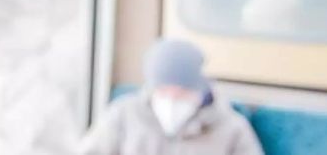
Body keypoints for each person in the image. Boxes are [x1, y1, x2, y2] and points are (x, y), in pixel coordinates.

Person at [79, 39, 263, 155]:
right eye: (163, 92)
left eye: (181, 94)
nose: (171, 101)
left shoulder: (232, 128)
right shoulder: (123, 115)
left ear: (200, 90)